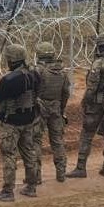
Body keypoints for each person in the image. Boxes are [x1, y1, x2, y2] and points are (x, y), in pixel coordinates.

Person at [67, 33, 104, 178]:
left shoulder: (99, 63)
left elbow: (91, 87)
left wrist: (86, 102)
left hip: (96, 104)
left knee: (87, 135)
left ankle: (81, 168)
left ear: (99, 47)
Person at [0, 44, 41, 201]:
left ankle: (8, 191)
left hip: (11, 122)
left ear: (12, 60)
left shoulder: (9, 80)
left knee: (9, 155)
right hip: (29, 119)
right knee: (29, 152)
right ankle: (31, 186)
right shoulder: (34, 74)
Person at [32, 41, 71, 183]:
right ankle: (61, 173)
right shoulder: (62, 72)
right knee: (57, 141)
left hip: (40, 107)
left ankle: (36, 176)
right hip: (56, 107)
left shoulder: (38, 71)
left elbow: (32, 90)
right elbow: (66, 92)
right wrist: (61, 109)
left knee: (36, 141)